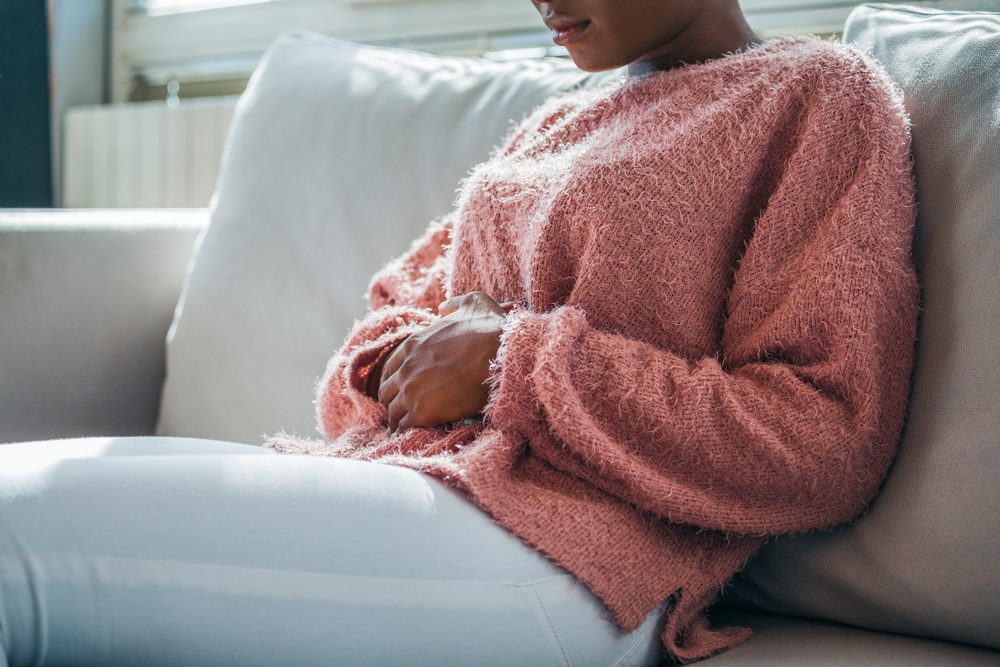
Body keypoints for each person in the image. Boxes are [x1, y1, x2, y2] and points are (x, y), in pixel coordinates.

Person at [0, 1, 919, 665]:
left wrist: (507, 362)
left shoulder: (817, 96)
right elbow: (392, 323)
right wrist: (409, 365)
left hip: (579, 561)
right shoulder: (555, 122)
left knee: (20, 542)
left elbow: (825, 435)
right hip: (414, 485)